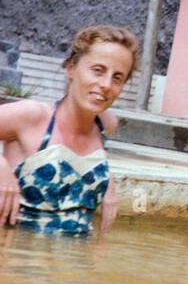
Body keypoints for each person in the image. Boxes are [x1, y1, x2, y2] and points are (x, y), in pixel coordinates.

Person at [0, 24, 139, 234]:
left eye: (117, 77)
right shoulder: (32, 116)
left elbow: (81, 163)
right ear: (71, 68)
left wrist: (106, 179)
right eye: (98, 71)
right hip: (17, 258)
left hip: (76, 261)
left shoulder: (106, 124)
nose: (106, 85)